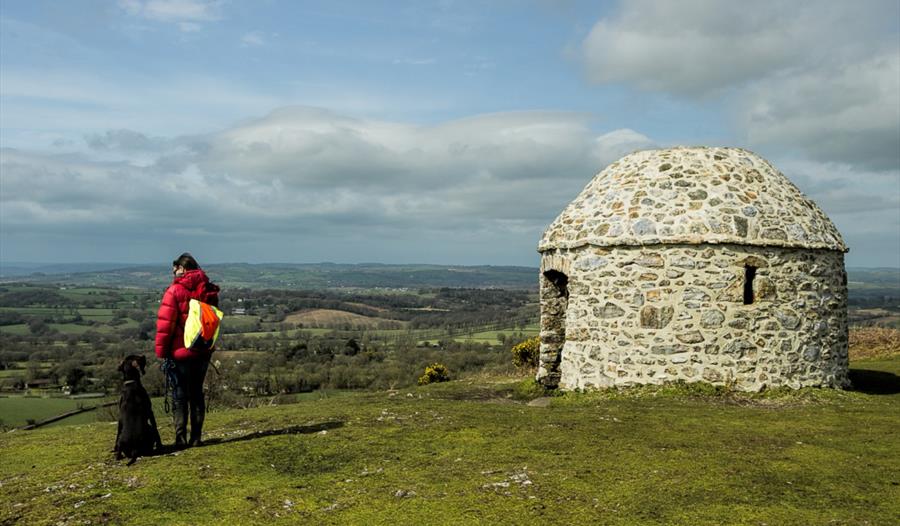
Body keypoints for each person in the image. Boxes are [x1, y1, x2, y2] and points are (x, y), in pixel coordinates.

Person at [155, 253, 220, 448]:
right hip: (202, 351)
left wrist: (161, 352)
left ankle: (180, 438)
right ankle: (196, 438)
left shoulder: (174, 291)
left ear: (182, 268)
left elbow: (165, 326)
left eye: (175, 268)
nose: (173, 272)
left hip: (179, 352)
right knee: (197, 394)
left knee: (180, 395)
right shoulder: (209, 290)